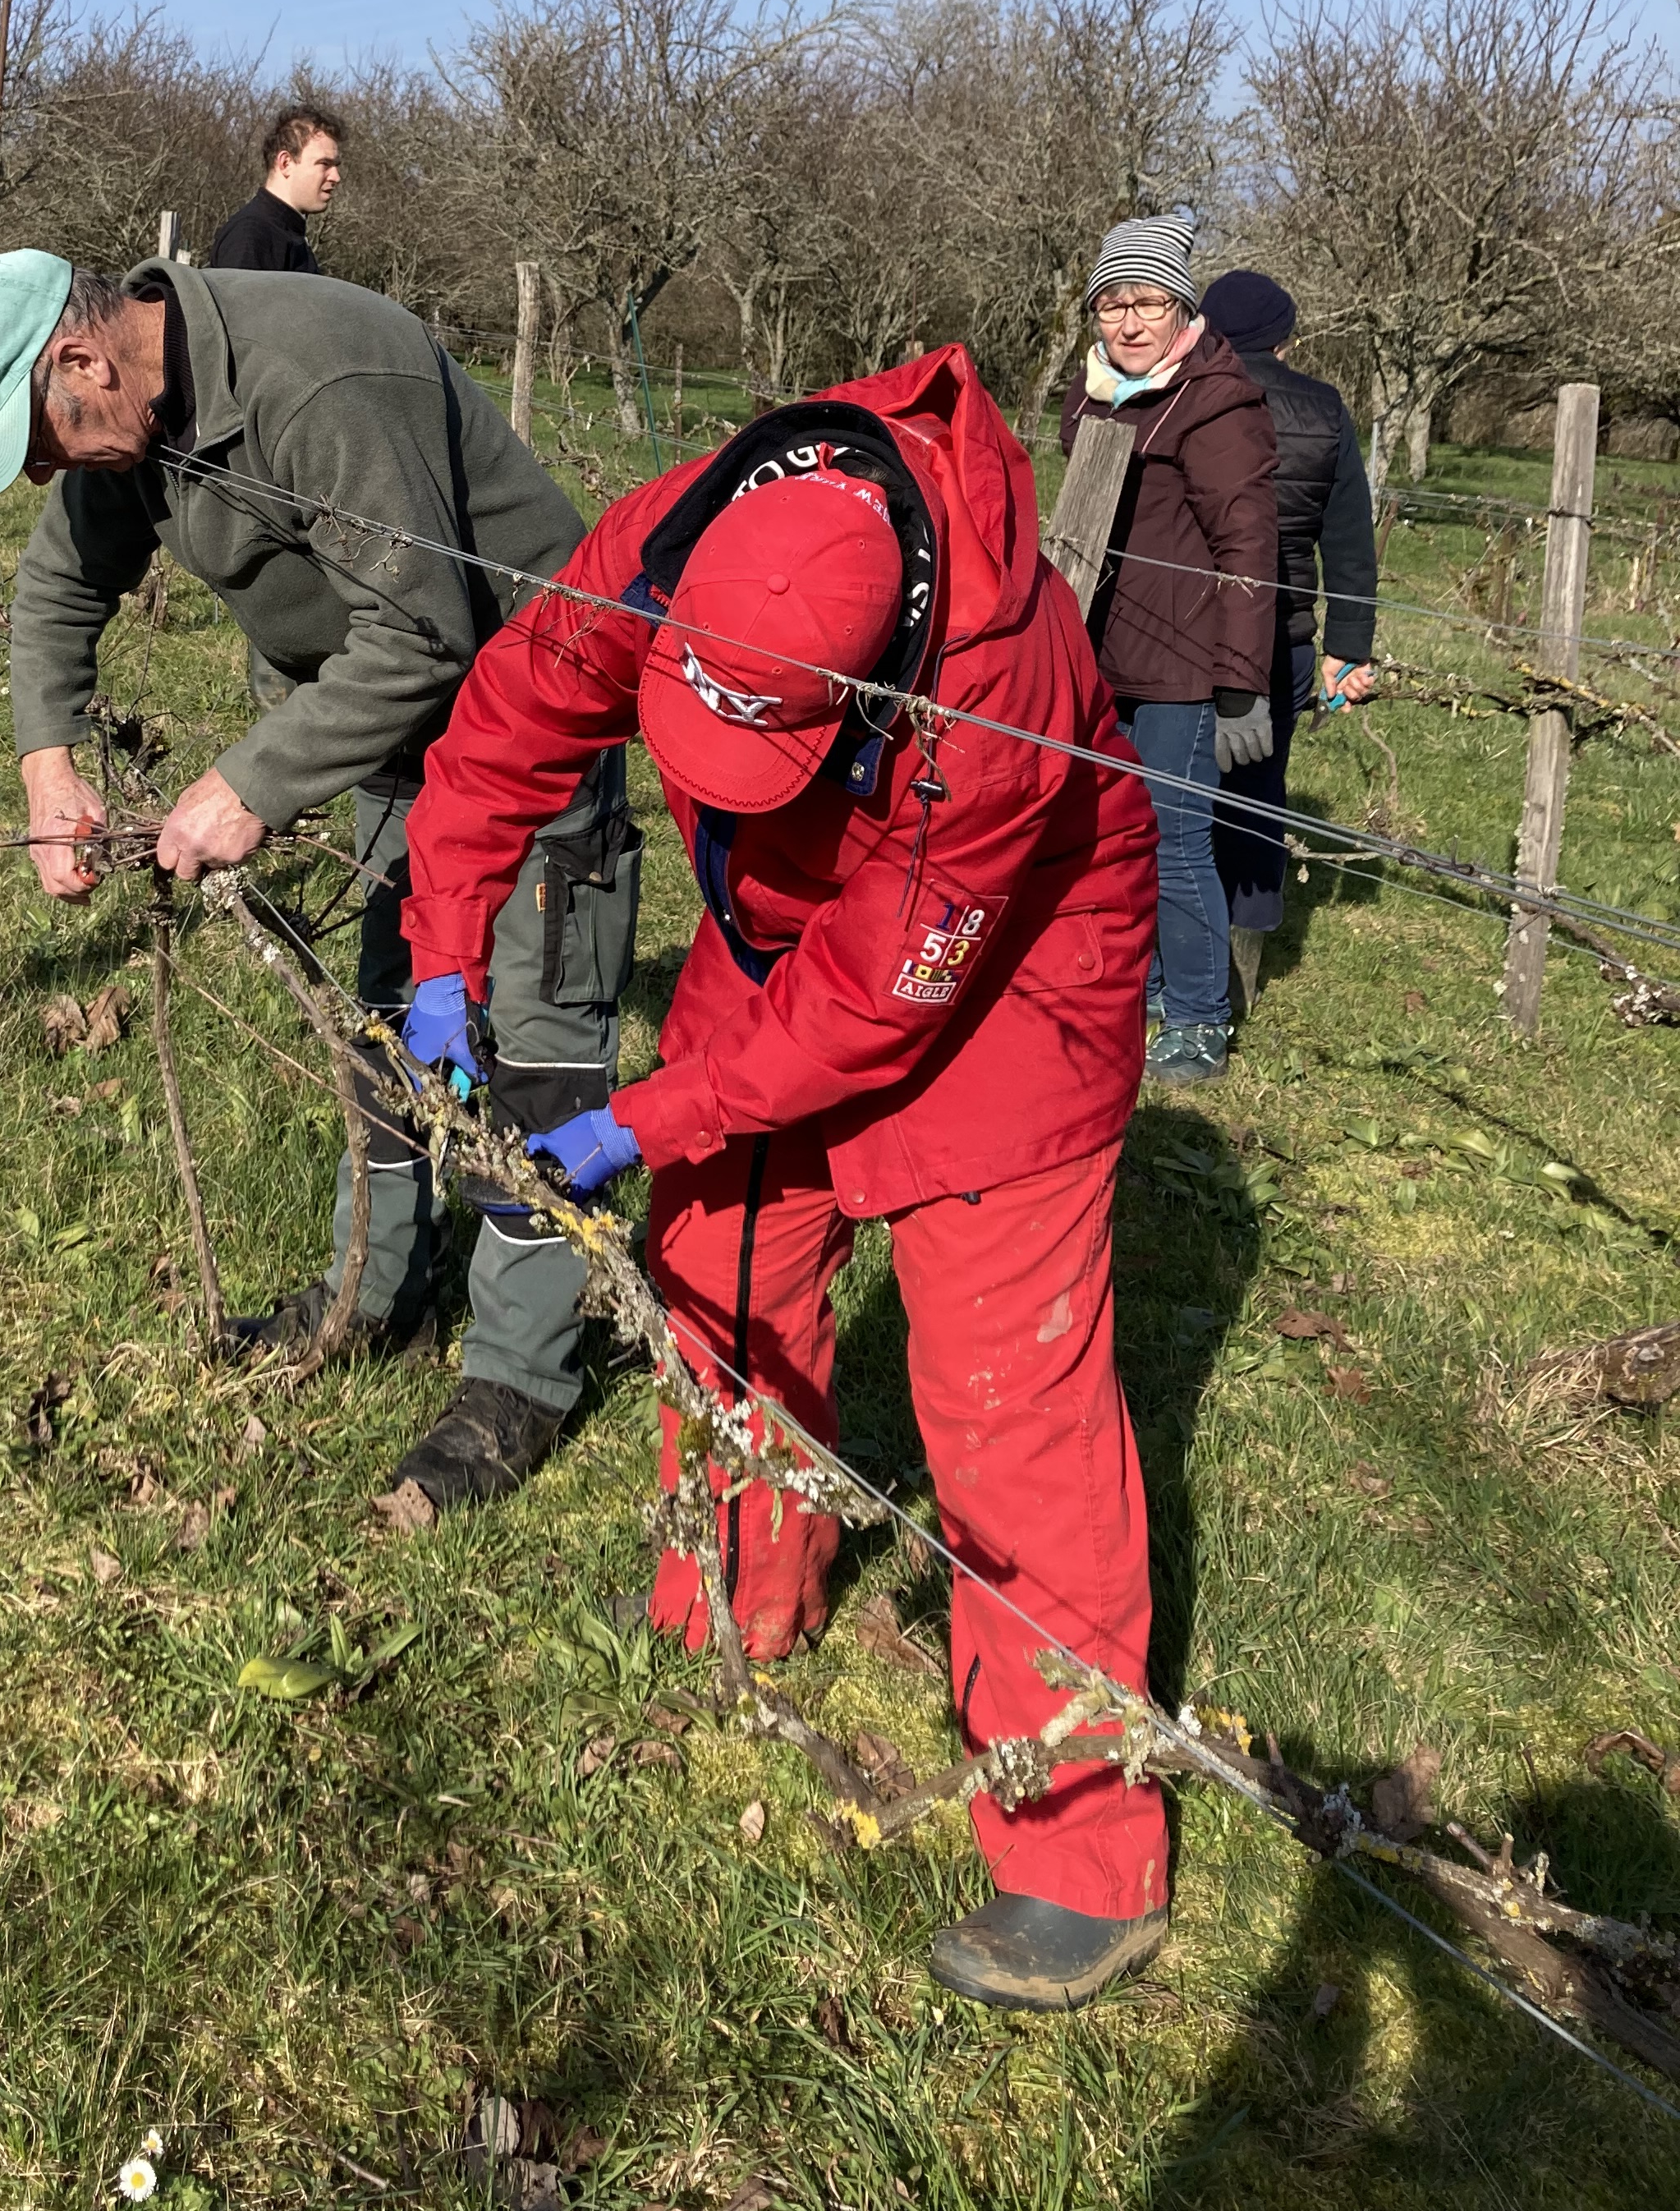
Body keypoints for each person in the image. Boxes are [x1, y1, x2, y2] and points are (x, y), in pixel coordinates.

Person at [398, 348, 1168, 2012]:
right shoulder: (674, 539)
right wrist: (443, 943)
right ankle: (732, 1602)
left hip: (1013, 977)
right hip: (780, 927)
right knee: (720, 1268)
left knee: (1004, 1396)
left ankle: (1080, 1852)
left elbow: (873, 1002)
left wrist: (640, 1116)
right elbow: (514, 718)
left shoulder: (996, 684)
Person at [0, 244, 640, 1516]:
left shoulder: (315, 382)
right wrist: (46, 769)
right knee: (394, 1017)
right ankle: (379, 1293)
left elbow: (425, 631)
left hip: (535, 719)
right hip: (392, 738)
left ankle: (522, 1379)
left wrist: (249, 784)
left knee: (533, 1047)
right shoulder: (136, 423)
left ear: (83, 361)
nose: (40, 475)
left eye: (36, 443)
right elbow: (60, 580)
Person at [1060, 216, 1277, 1088]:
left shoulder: (1217, 404)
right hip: (1101, 651)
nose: (1130, 321)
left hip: (1186, 664)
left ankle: (1198, 1019)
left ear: (1183, 310)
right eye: (1112, 304)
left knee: (1176, 840)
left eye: (1148, 302)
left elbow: (1248, 547)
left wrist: (1239, 684)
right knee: (1116, 833)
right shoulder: (1095, 393)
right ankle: (1144, 987)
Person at [1197, 270, 1379, 1010]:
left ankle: (1175, 961)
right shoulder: (1324, 410)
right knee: (1258, 789)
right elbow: (1350, 541)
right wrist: (1348, 647)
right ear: (1286, 340)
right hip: (1284, 634)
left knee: (1174, 788)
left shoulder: (1185, 394)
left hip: (1182, 628)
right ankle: (1242, 966)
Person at [207, 103, 344, 274]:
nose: (336, 177)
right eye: (324, 163)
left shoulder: (287, 232)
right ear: (285, 163)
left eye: (335, 165)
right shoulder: (252, 234)